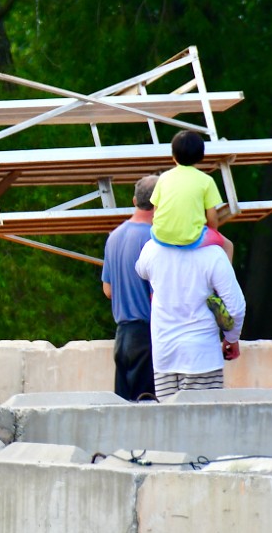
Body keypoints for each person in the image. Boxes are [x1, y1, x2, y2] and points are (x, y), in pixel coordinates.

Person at [135, 229, 246, 400]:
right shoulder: (213, 254)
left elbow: (140, 269)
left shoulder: (151, 249)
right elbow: (236, 308)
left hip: (164, 356)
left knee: (170, 423)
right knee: (205, 424)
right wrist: (231, 337)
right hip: (202, 358)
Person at [102, 175, 158, 401]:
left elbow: (108, 290)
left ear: (134, 200)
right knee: (147, 411)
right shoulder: (154, 239)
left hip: (122, 338)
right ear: (159, 202)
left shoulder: (114, 236)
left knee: (124, 410)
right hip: (147, 335)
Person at [150, 130, 234, 260]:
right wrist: (213, 233)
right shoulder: (206, 181)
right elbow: (212, 218)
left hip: (160, 237)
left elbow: (155, 211)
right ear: (201, 155)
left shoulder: (163, 178)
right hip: (192, 239)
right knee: (228, 245)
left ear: (173, 155)